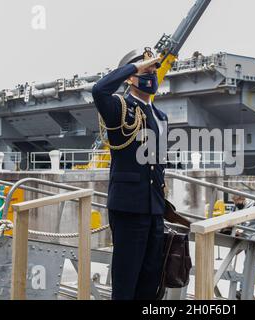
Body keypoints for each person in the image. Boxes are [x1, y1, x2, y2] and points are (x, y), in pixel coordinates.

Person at [92, 48, 168, 300]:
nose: (151, 74)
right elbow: (99, 90)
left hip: (155, 209)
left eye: (154, 69)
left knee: (151, 281)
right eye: (146, 69)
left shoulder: (160, 115)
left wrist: (161, 202)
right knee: (126, 282)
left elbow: (158, 164)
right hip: (128, 208)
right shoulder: (120, 108)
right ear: (129, 76)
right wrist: (136, 66)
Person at [231, 194, 255, 300]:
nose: (236, 203)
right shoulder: (236, 209)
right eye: (234, 201)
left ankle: (244, 290)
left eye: (238, 201)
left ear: (243, 198)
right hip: (246, 239)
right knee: (253, 266)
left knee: (249, 264)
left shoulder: (254, 207)